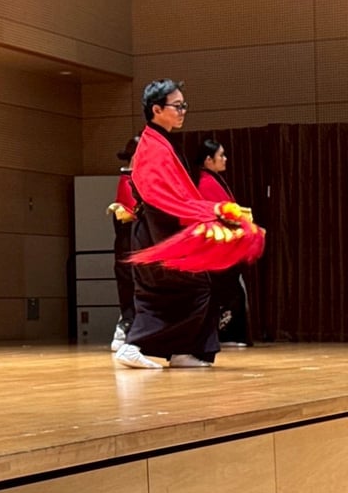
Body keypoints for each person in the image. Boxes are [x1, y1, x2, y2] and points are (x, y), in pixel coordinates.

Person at [113, 81, 264, 369]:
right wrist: (208, 214)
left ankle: (180, 351)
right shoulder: (153, 147)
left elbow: (176, 195)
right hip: (157, 231)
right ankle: (139, 345)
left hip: (158, 229)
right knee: (191, 289)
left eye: (184, 105)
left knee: (169, 293)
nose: (183, 111)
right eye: (177, 106)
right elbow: (160, 196)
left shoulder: (161, 142)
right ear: (157, 110)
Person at [195, 139, 251, 347]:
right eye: (221, 155)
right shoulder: (206, 184)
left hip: (224, 248)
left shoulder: (212, 180)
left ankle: (228, 334)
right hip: (218, 250)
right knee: (229, 291)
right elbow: (219, 215)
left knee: (232, 290)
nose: (225, 159)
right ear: (208, 160)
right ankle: (227, 335)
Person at [107, 135, 139, 351]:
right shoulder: (127, 183)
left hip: (133, 250)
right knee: (130, 287)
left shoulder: (135, 181)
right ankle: (126, 328)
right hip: (129, 251)